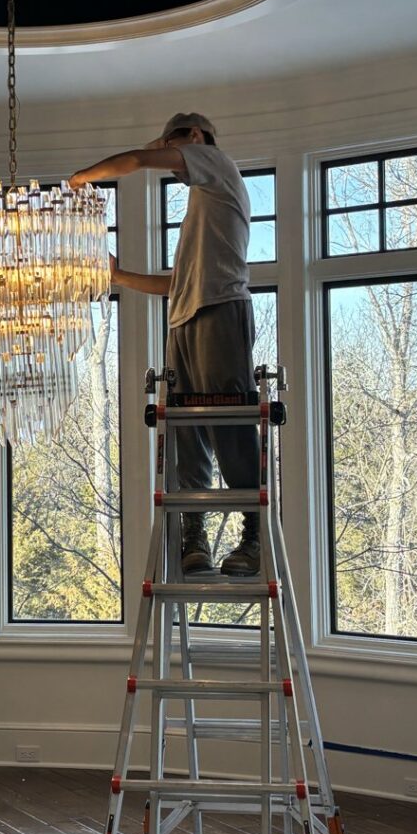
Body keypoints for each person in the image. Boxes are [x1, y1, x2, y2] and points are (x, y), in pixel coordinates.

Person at [69, 112, 260, 576]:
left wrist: (81, 178)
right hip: (184, 319)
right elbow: (175, 285)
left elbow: (137, 160)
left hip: (220, 310)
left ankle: (255, 535)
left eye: (169, 146)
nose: (171, 163)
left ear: (193, 137)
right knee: (187, 428)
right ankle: (194, 535)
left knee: (228, 418)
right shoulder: (203, 205)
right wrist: (117, 276)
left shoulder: (215, 163)